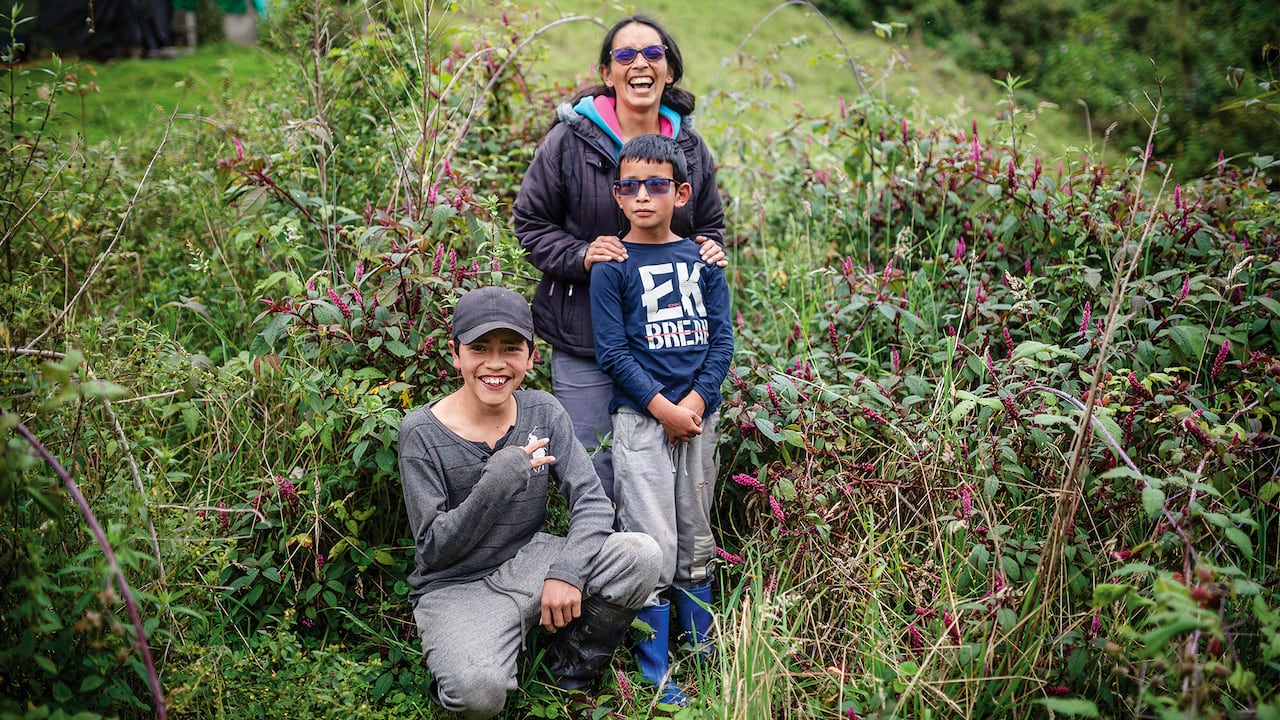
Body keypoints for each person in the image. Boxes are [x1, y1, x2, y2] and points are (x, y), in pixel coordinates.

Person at [398, 286, 664, 718]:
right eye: (479, 348)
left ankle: (567, 673)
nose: (496, 363)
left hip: (533, 559)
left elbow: (593, 504)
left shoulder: (543, 410)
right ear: (455, 354)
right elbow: (433, 550)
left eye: (511, 348)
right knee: (476, 695)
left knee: (640, 554)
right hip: (459, 586)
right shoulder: (421, 433)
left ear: (531, 355)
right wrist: (498, 480)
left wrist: (567, 572)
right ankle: (475, 652)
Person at [513, 14, 727, 501]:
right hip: (586, 338)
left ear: (669, 70)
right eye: (625, 55)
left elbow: (709, 224)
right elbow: (530, 223)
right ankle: (605, 574)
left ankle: (673, 575)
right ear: (607, 72)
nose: (640, 65)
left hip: (670, 346)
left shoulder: (690, 148)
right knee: (597, 470)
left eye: (653, 54)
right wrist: (582, 254)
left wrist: (708, 248)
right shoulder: (570, 140)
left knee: (670, 480)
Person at [589, 134, 734, 706]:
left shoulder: (703, 258)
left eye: (656, 185)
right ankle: (655, 671)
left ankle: (700, 656)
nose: (643, 196)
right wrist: (664, 409)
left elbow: (721, 338)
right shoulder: (612, 265)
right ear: (617, 197)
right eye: (630, 186)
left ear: (681, 192)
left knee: (697, 536)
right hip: (642, 421)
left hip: (700, 420)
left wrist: (695, 403)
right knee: (653, 540)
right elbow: (612, 352)